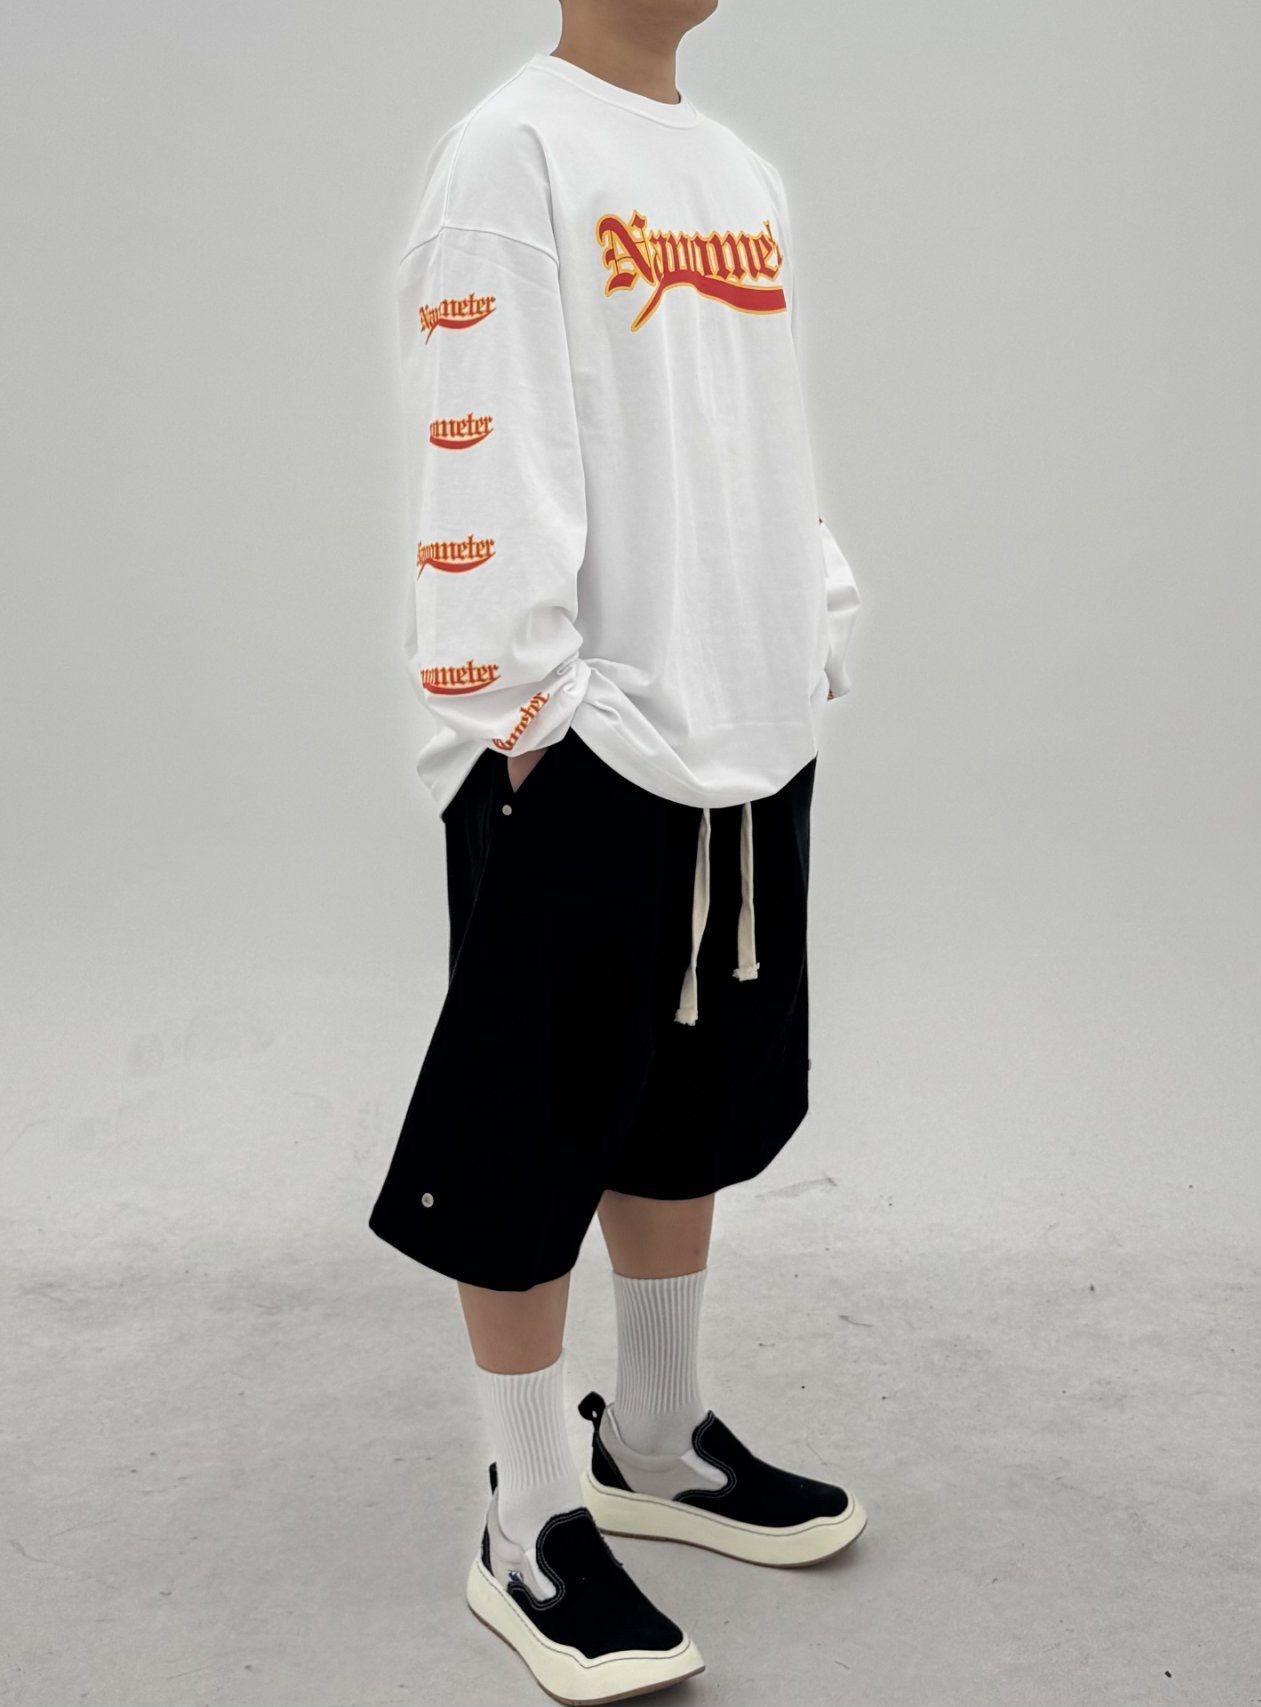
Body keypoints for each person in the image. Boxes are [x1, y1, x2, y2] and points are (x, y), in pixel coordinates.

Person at [368, 1, 867, 1697]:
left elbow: (756, 424)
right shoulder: (511, 152)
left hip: (743, 716)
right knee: (528, 1134)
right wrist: (521, 704)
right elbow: (477, 428)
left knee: (689, 1099)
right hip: (577, 738)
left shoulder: (736, 171)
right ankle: (524, 1518)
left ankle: (654, 1438)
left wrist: (809, 612)